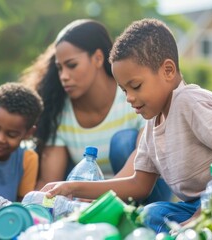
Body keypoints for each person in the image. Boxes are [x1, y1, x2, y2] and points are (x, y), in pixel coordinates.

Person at [40, 18, 212, 233]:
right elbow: (138, 184)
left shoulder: (189, 102)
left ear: (168, 70)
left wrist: (207, 210)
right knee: (150, 215)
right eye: (124, 90)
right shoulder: (152, 124)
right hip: (196, 205)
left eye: (136, 86)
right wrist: (72, 186)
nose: (129, 97)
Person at [21, 19, 171, 203]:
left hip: (145, 190)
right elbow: (50, 179)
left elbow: (142, 168)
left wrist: (95, 199)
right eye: (59, 68)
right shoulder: (59, 112)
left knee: (122, 141)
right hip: (89, 198)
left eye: (72, 65)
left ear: (98, 58)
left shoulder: (133, 95)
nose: (64, 76)